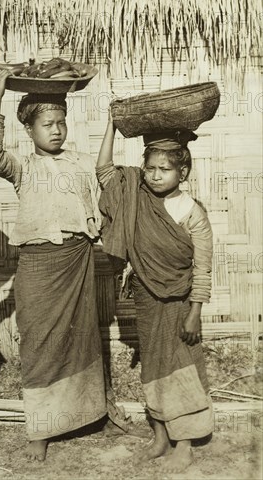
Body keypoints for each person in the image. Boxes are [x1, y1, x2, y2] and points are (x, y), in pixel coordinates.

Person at [0, 68, 107, 461]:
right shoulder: (23, 169)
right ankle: (40, 427)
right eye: (47, 124)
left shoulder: (82, 163)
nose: (56, 130)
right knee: (38, 342)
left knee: (81, 335)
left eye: (61, 123)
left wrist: (114, 126)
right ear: (29, 130)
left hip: (77, 259)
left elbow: (106, 186)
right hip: (39, 263)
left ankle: (86, 414)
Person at [96, 117, 214, 473]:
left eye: (165, 169)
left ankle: (185, 441)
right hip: (146, 296)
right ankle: (161, 434)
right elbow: (103, 170)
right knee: (154, 367)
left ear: (184, 171)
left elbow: (203, 268)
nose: (155, 175)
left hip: (180, 303)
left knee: (182, 368)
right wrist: (112, 126)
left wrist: (195, 311)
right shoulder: (134, 192)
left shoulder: (192, 212)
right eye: (150, 168)